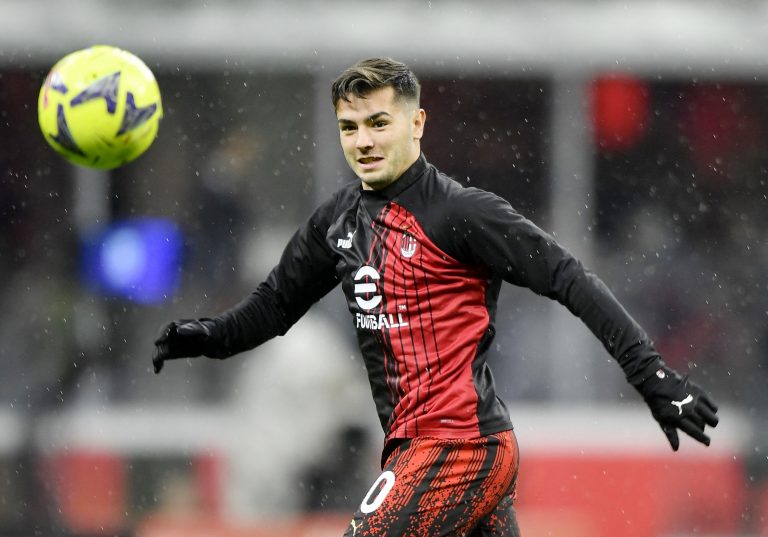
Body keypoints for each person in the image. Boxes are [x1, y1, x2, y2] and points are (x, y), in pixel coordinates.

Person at [152, 57, 719, 536]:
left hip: (459, 449)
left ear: (417, 123)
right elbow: (273, 307)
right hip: (417, 452)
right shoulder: (338, 221)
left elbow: (570, 277)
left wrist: (652, 377)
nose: (364, 141)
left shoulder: (461, 212)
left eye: (379, 122)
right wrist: (208, 335)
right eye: (350, 127)